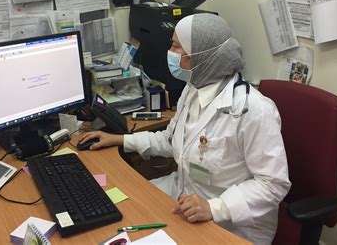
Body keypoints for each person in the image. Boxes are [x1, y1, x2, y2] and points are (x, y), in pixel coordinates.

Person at [81, 14, 291, 245]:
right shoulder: (193, 89)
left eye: (175, 46)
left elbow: (272, 184)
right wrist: (120, 140)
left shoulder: (253, 110)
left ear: (200, 56)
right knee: (120, 212)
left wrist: (215, 208)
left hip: (232, 225)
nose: (169, 51)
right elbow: (171, 140)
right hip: (184, 199)